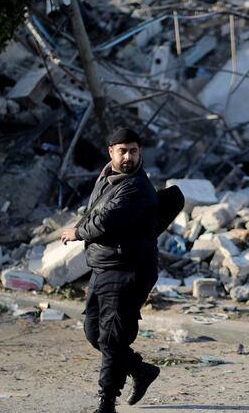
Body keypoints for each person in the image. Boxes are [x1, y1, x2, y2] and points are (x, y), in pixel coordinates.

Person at [61, 127, 161, 413]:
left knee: (112, 337)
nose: (128, 156)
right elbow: (94, 212)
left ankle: (107, 402)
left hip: (128, 268)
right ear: (111, 153)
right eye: (123, 151)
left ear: (140, 152)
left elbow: (106, 222)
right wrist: (83, 227)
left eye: (133, 150)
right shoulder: (107, 178)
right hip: (103, 266)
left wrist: (77, 232)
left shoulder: (137, 187)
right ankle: (141, 371)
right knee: (94, 332)